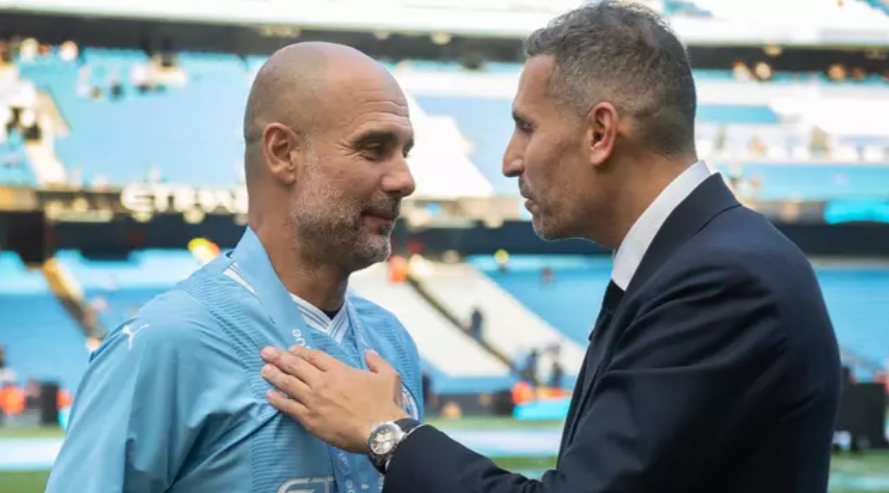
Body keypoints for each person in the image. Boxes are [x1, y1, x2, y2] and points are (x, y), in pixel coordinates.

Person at [258, 3, 841, 493]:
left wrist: (389, 435)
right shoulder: (704, 260)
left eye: (527, 127)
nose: (510, 160)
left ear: (599, 133)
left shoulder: (722, 280)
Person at [45, 41, 422, 493]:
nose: (405, 180)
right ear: (283, 153)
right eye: (374, 149)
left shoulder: (392, 341)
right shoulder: (164, 345)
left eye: (405, 152)